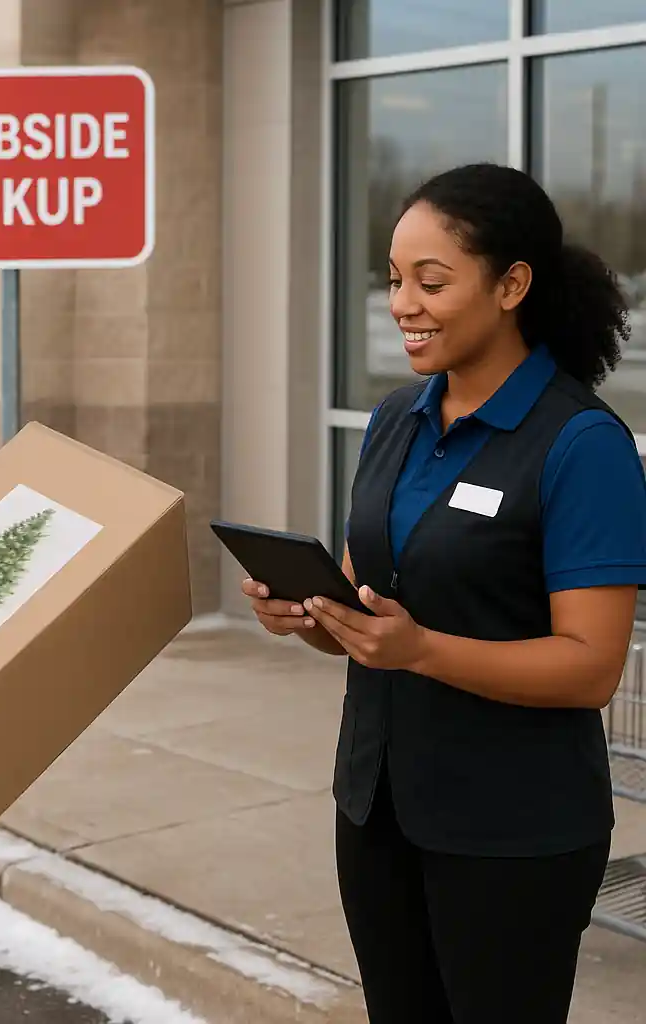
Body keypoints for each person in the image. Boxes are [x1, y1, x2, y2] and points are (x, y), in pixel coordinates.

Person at [243, 162, 646, 1024]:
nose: (401, 304)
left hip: (514, 834)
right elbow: (366, 608)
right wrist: (309, 615)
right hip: (378, 809)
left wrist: (422, 650)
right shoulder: (397, 419)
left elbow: (591, 668)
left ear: (511, 285)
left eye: (432, 281)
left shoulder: (581, 445)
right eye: (393, 280)